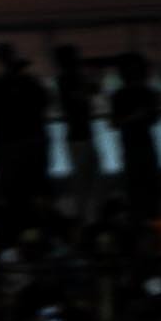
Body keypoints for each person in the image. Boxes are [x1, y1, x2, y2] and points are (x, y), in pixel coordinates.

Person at [0, 43, 50, 209]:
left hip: (8, 144)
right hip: (29, 142)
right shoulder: (30, 82)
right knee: (34, 189)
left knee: (13, 192)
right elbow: (43, 102)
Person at [111, 51, 161, 223]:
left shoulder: (120, 95)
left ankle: (142, 222)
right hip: (142, 147)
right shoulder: (145, 93)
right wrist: (137, 116)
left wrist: (132, 117)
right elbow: (154, 118)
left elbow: (115, 122)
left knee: (138, 189)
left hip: (134, 148)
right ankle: (149, 221)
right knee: (146, 188)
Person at [54, 44, 101, 221]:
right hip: (80, 136)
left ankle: (86, 217)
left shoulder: (67, 79)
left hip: (79, 136)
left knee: (84, 179)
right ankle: (87, 217)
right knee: (87, 179)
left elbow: (87, 93)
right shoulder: (69, 79)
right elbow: (86, 94)